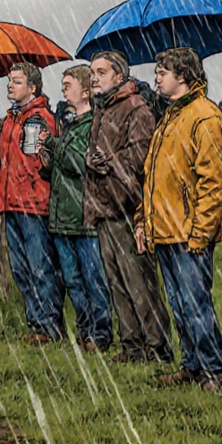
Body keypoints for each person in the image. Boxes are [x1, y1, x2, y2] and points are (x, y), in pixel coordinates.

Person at [137, 48, 222, 391]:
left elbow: (215, 181)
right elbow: (152, 177)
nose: (157, 78)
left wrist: (201, 232)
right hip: (165, 229)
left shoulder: (204, 117)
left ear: (184, 77)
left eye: (163, 72)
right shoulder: (170, 117)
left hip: (188, 231)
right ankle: (191, 364)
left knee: (197, 304)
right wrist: (142, 221)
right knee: (180, 305)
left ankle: (213, 371)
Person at [85, 52, 172, 364]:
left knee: (140, 283)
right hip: (104, 206)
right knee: (118, 283)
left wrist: (107, 163)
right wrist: (90, 159)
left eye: (101, 72)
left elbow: (141, 156)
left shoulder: (135, 108)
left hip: (127, 206)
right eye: (92, 72)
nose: (94, 78)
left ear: (119, 76)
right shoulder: (102, 109)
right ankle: (132, 345)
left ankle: (157, 347)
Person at [41, 65, 112, 351]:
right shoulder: (68, 123)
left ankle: (101, 333)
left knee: (93, 279)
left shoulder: (93, 125)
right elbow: (61, 166)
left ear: (85, 91)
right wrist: (49, 161)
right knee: (72, 280)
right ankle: (85, 332)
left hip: (83, 217)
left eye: (68, 84)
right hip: (63, 216)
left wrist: (54, 145)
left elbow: (78, 164)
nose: (63, 89)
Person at [0, 62, 62, 343]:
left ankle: (49, 324)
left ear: (33, 87)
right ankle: (35, 321)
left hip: (33, 202)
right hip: (12, 201)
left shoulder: (39, 118)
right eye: (10, 80)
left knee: (40, 266)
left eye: (17, 81)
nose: (11, 85)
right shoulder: (11, 118)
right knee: (21, 267)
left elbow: (39, 162)